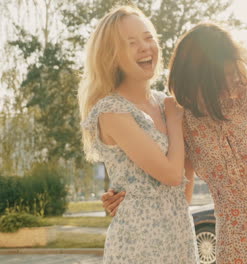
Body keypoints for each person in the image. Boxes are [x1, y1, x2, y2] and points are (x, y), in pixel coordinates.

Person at [104, 22, 247, 263]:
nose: (232, 81)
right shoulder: (183, 119)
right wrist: (126, 196)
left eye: (233, 70)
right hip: (235, 246)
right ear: (197, 77)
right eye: (222, 75)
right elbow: (178, 188)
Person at [78, 6, 198, 263]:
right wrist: (176, 121)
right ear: (111, 56)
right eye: (131, 43)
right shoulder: (112, 110)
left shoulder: (165, 103)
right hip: (138, 244)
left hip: (179, 237)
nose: (145, 47)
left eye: (148, 37)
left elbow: (186, 172)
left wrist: (172, 212)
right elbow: (170, 175)